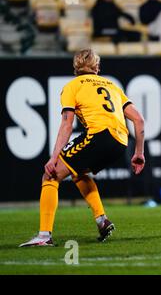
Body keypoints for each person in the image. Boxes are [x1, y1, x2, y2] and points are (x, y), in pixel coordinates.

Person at [19, 49, 145, 247]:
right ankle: (102, 221)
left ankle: (44, 236)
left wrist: (53, 157)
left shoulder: (72, 86)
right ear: (97, 67)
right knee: (77, 173)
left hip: (99, 136)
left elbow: (67, 124)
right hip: (121, 142)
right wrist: (139, 153)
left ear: (75, 67)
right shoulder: (112, 85)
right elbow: (138, 119)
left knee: (50, 176)